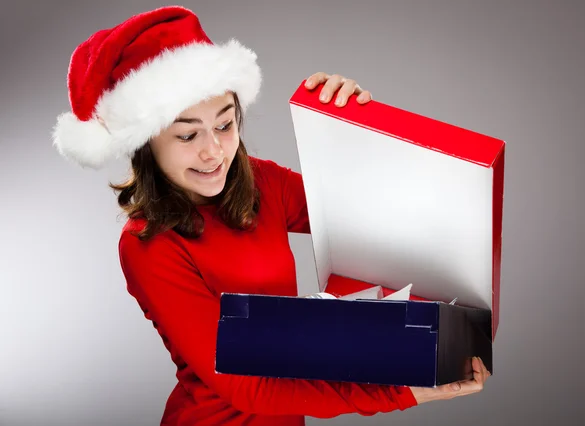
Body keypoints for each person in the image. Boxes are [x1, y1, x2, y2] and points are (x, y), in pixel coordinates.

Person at [51, 5, 490, 426]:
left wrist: (347, 124)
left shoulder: (262, 182)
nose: (213, 151)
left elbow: (367, 212)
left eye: (225, 124)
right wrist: (401, 392)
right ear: (146, 143)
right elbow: (247, 388)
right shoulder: (147, 244)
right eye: (187, 134)